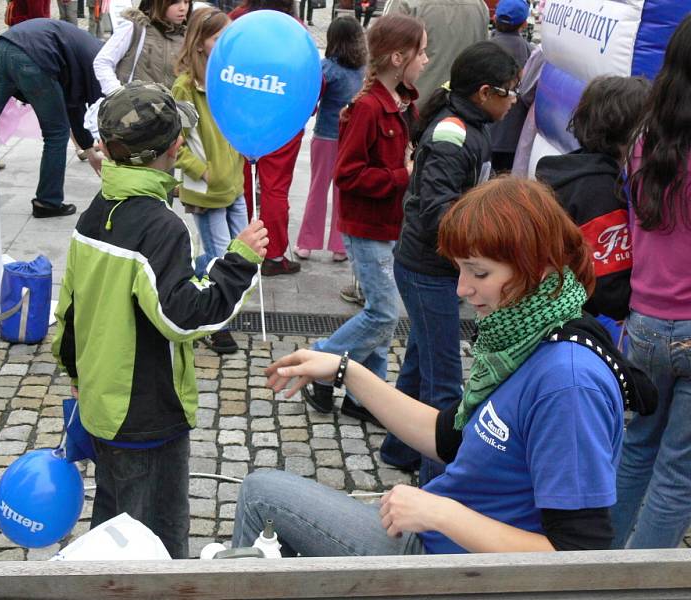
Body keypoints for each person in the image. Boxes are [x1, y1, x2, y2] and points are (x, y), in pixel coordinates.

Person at [233, 176, 643, 557]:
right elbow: (448, 438)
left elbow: (577, 555)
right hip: (435, 537)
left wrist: (439, 513)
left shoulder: (568, 384)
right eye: (460, 269)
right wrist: (346, 371)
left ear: (543, 268)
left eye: (479, 272)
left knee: (260, 494)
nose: (463, 289)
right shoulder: (522, 338)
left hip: (444, 561)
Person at [52, 82, 268, 559]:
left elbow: (68, 307)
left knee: (111, 524)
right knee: (156, 543)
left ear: (107, 149)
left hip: (101, 405)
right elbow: (184, 316)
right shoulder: (160, 226)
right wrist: (240, 260)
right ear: (175, 148)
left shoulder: (95, 213)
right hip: (147, 415)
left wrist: (75, 374)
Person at [381, 41, 519, 480]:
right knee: (444, 382)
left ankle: (398, 450)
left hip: (435, 267)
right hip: (429, 271)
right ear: (484, 92)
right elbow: (437, 209)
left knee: (419, 362)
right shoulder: (451, 133)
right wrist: (482, 241)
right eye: (509, 92)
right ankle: (435, 479)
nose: (514, 101)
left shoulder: (473, 124)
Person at [300, 15, 426, 424]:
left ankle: (364, 395)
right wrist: (400, 175)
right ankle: (319, 361)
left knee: (381, 311)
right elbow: (347, 174)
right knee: (384, 313)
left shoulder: (400, 102)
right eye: (420, 52)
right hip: (366, 227)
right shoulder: (368, 107)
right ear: (397, 57)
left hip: (389, 224)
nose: (426, 60)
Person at [611, 14, 691, 550]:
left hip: (644, 323)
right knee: (678, 475)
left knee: (633, 450)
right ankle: (638, 581)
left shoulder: (645, 138)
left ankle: (593, 568)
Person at [536, 76, 650, 322]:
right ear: (633, 130)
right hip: (574, 321)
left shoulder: (573, 172)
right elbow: (611, 291)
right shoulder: (603, 191)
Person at [172, 8, 247, 355]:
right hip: (206, 189)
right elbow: (177, 142)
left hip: (233, 184)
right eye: (219, 38)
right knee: (221, 257)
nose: (225, 45)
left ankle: (193, 283)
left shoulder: (228, 79)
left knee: (241, 250)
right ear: (200, 42)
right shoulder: (185, 87)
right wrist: (203, 170)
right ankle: (216, 326)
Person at [0, 19, 104, 218]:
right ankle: (48, 202)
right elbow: (92, 113)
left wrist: (89, 151)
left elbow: (74, 107)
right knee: (56, 133)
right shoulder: (100, 63)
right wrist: (96, 150)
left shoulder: (92, 49)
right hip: (32, 56)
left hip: (3, 46)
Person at [230, 0, 307, 277]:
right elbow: (312, 78)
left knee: (244, 181)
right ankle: (272, 253)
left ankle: (241, 242)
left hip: (242, 114)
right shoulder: (292, 29)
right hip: (283, 119)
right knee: (275, 188)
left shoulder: (238, 20)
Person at [293, 16, 366, 264]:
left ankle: (306, 243)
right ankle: (340, 246)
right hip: (351, 137)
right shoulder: (362, 71)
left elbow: (311, 98)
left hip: (325, 135)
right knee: (342, 192)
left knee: (317, 189)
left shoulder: (326, 68)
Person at [384, 0, 488, 103]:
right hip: (461, 105)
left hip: (416, 104)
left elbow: (382, 55)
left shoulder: (406, 3)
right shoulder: (479, 5)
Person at [94, 0, 191, 95]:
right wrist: (117, 94)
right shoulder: (136, 28)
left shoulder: (188, 37)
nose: (183, 8)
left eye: (186, 2)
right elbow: (103, 61)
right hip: (133, 107)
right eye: (175, 2)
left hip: (170, 109)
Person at [488, 0, 533, 172]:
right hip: (514, 137)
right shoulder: (530, 52)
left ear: (494, 18)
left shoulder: (483, 49)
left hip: (485, 132)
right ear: (524, 24)